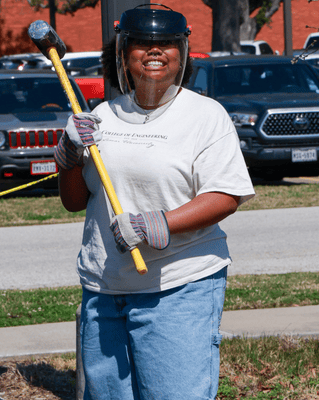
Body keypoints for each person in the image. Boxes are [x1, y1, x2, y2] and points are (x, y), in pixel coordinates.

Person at [54, 4, 255, 399]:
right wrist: (69, 157)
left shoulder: (204, 116)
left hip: (179, 288)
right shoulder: (101, 117)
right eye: (142, 43)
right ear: (122, 54)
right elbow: (74, 202)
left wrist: (156, 223)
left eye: (166, 43)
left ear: (183, 53)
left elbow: (227, 194)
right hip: (104, 288)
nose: (154, 51)